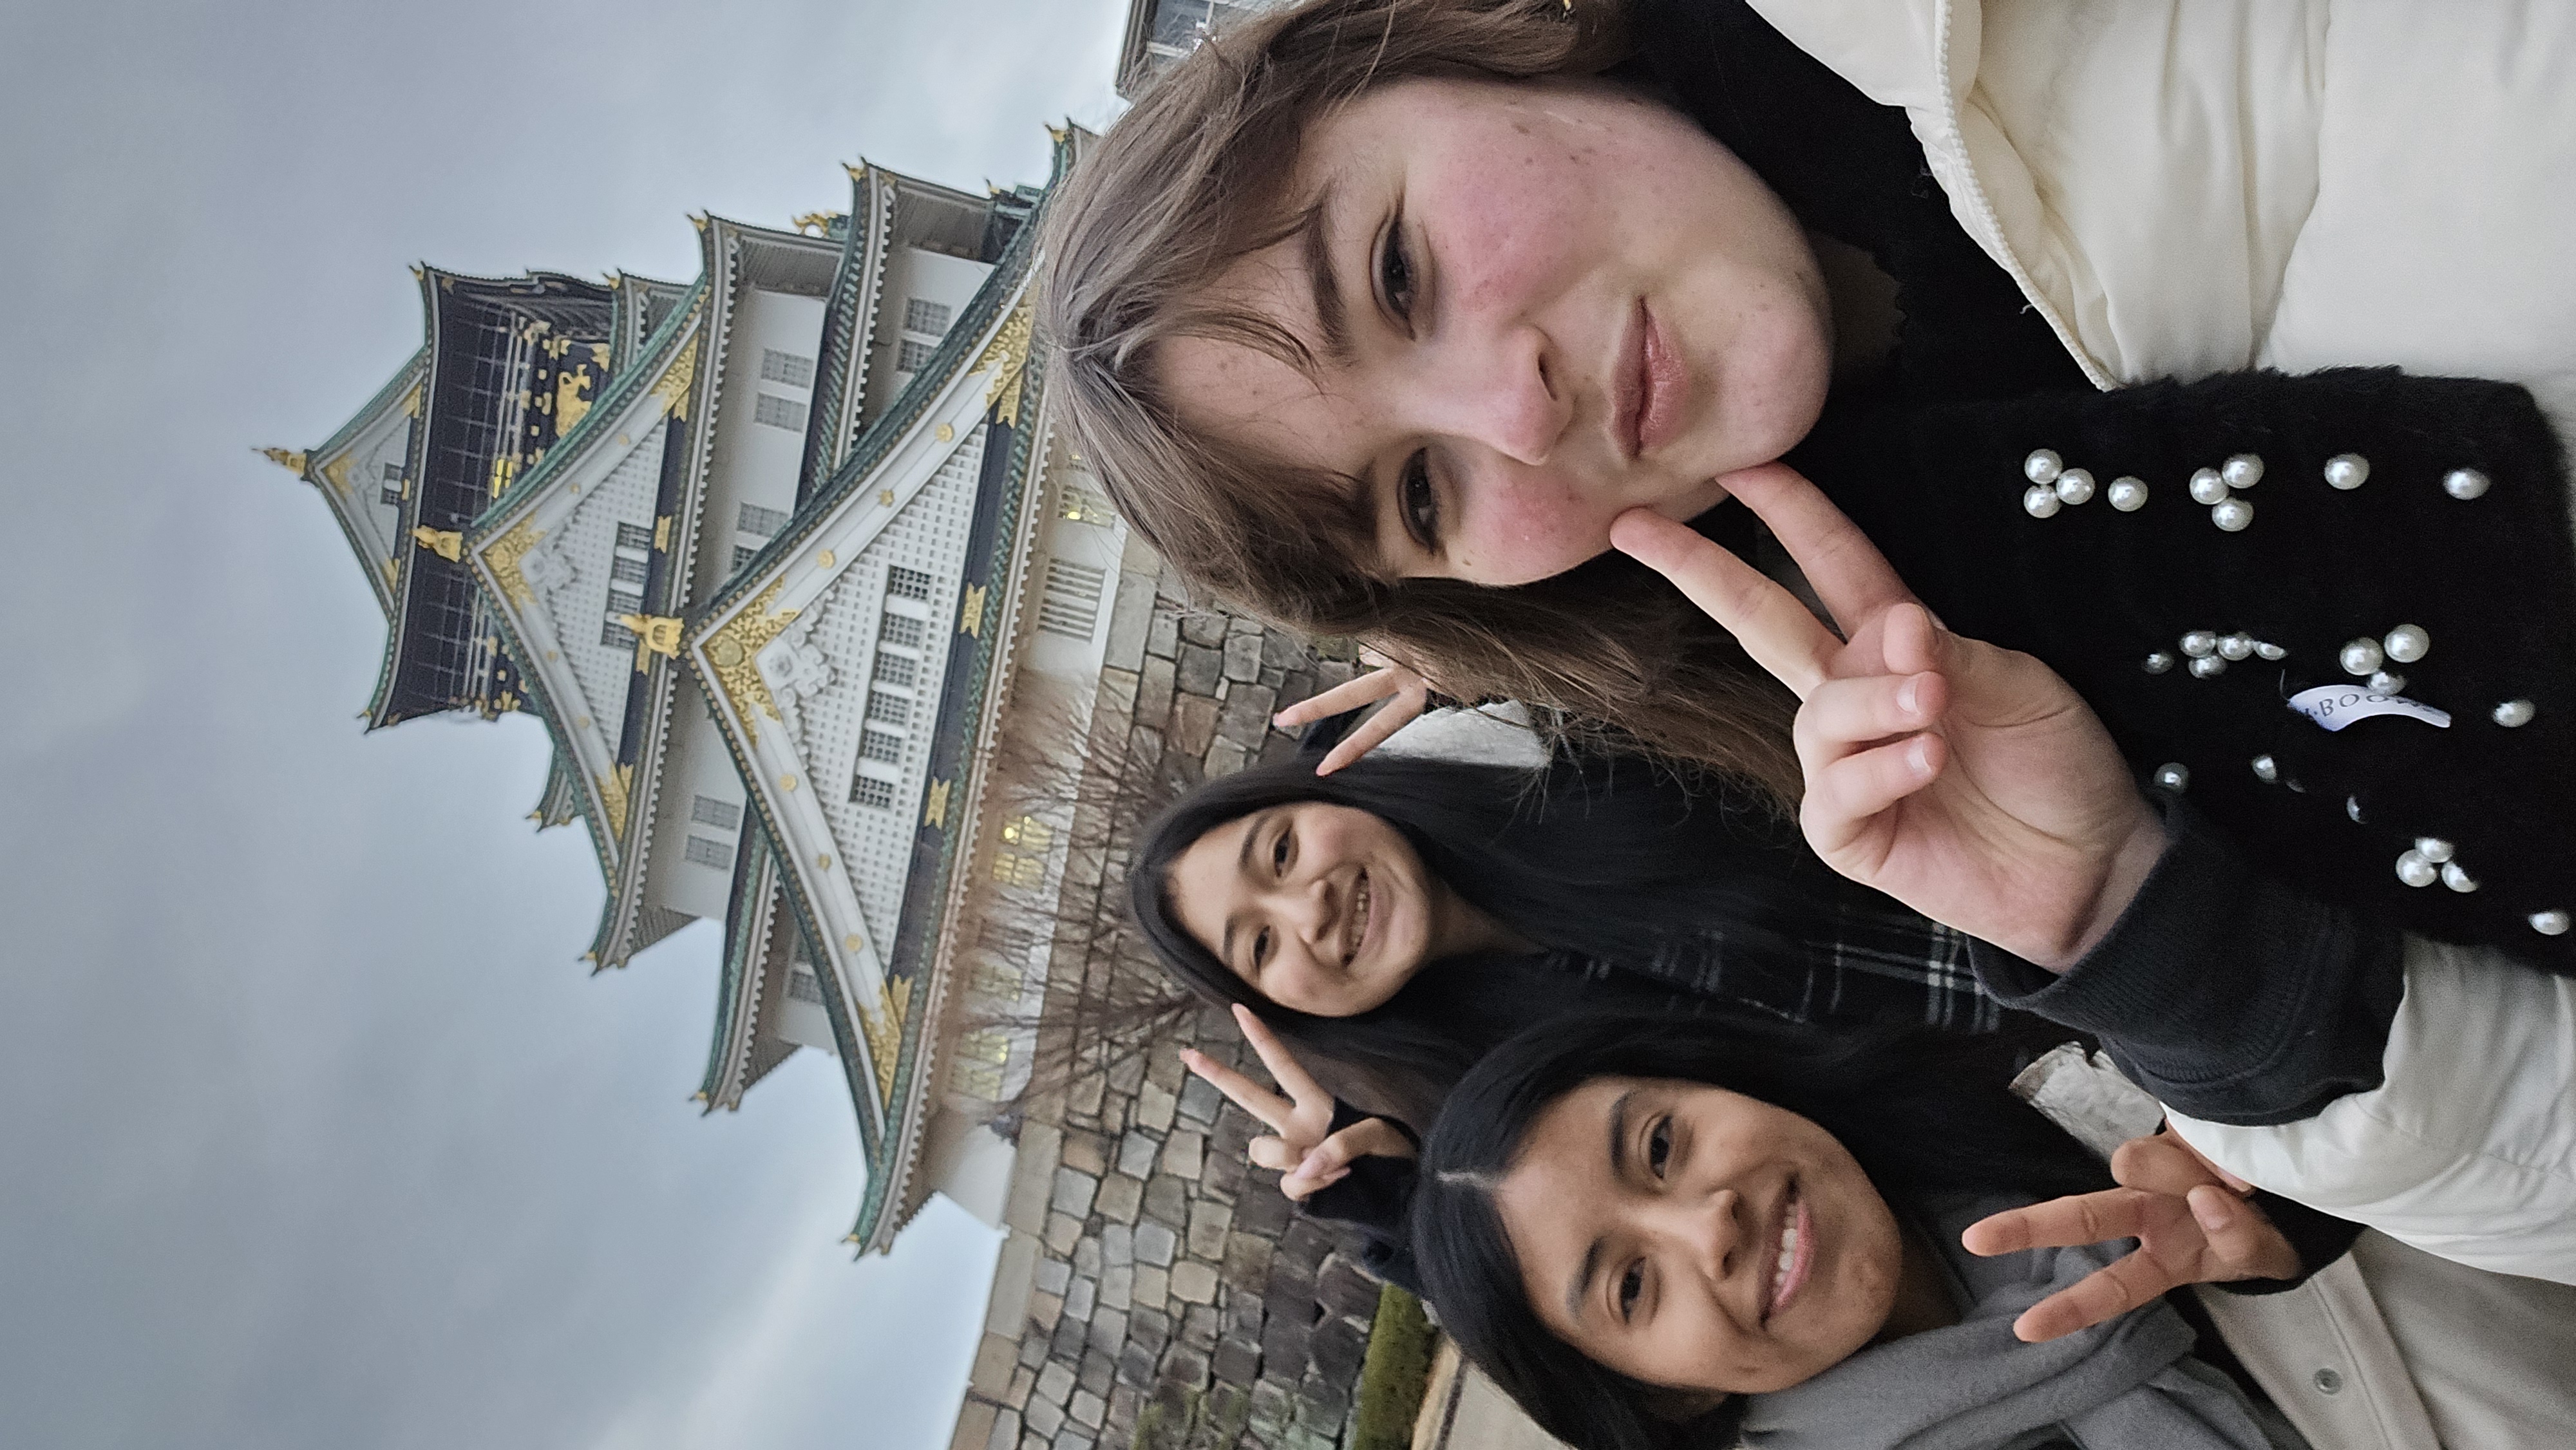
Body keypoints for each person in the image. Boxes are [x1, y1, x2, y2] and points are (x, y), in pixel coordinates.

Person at [1039, 0, 2576, 968]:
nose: (1512, 412)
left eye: (1393, 270)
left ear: (1454, 30)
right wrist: (2140, 933)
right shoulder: (1920, 711)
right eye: (1423, 498)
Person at [1409, 1012, 2318, 1450]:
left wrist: (2284, 1239)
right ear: (1664, 1399)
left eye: (1660, 1144)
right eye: (1633, 1287)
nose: (1708, 1224)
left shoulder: (2071, 1106)